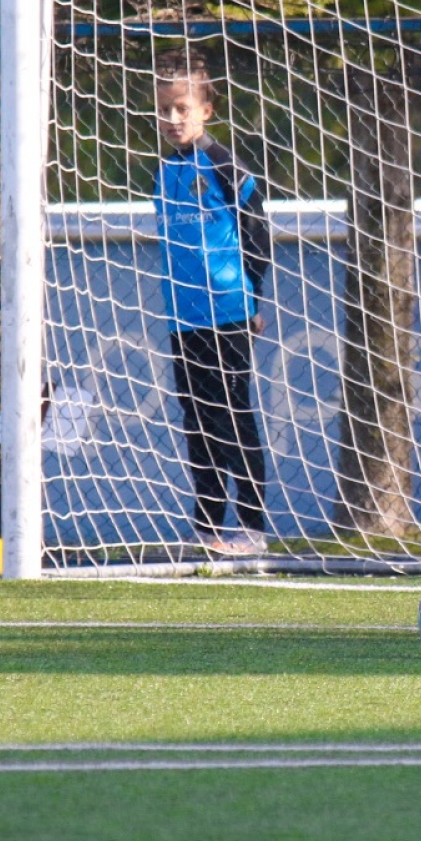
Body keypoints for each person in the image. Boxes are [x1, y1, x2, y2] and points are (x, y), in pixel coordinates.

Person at [152, 50, 274, 555]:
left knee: (232, 415)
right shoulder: (163, 172)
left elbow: (257, 233)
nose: (172, 118)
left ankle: (252, 528)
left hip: (228, 313)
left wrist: (253, 297)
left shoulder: (224, 164)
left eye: (182, 108)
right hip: (184, 319)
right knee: (196, 421)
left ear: (206, 110)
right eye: (164, 109)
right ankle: (206, 527)